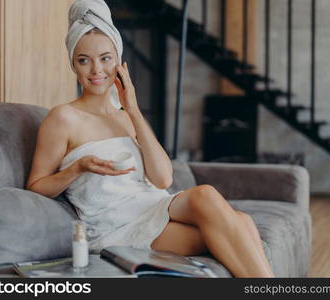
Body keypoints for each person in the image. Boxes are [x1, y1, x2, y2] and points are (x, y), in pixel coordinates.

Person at [26, 0, 274, 278]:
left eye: (106, 58)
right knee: (236, 225)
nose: (96, 70)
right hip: (116, 226)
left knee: (233, 215)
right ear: (74, 63)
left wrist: (132, 108)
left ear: (119, 63)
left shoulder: (124, 115)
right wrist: (78, 167)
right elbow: (36, 186)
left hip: (151, 204)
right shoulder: (63, 118)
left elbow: (163, 180)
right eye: (84, 60)